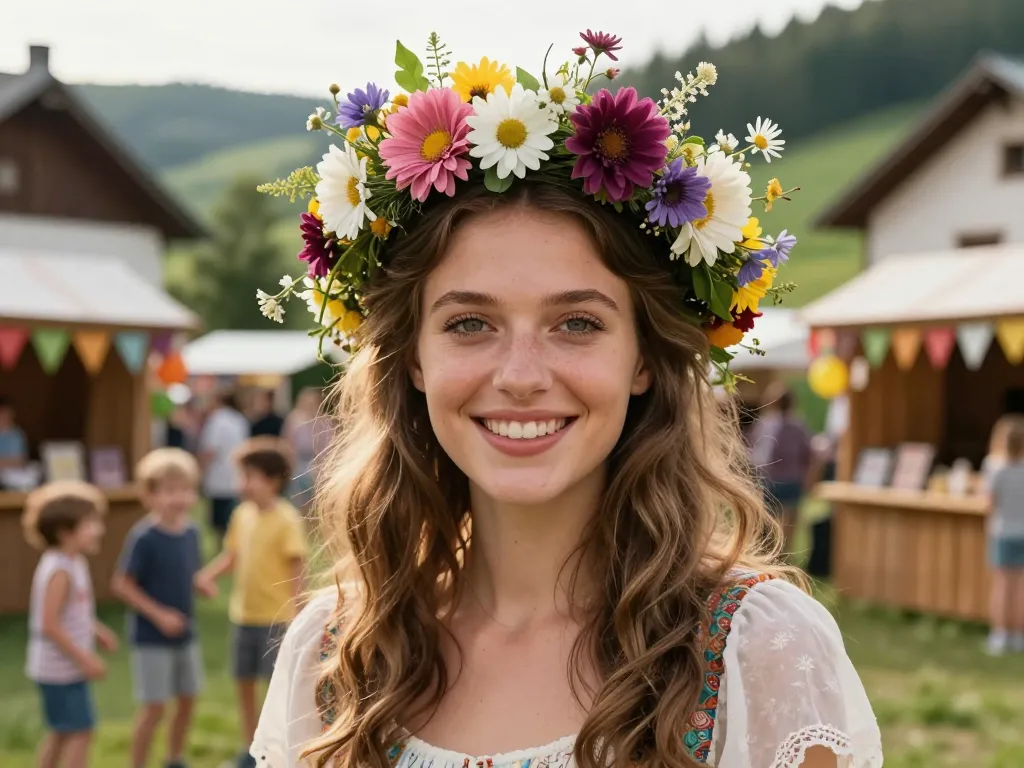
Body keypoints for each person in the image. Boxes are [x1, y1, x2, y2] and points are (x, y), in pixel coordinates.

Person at [248, 35, 881, 768]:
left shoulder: (756, 650)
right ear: (414, 360)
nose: (521, 375)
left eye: (576, 323)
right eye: (470, 324)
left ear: (643, 359)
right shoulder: (335, 651)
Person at [196, 437, 308, 768]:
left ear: (272, 481)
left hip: (275, 620)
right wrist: (208, 575)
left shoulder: (287, 519)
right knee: (243, 683)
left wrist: (299, 615)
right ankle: (251, 748)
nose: (241, 484)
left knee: (278, 692)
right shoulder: (242, 515)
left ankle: (281, 752)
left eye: (249, 477)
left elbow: (297, 569)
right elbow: (232, 555)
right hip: (243, 617)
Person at [112, 449, 208, 768]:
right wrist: (160, 615)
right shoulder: (144, 537)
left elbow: (186, 571)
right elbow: (122, 585)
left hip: (185, 633)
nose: (179, 498)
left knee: (187, 700)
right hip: (151, 636)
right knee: (155, 707)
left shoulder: (193, 532)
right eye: (170, 491)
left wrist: (199, 583)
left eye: (185, 489)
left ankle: (174, 759)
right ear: (150, 495)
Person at [23, 481, 118, 768]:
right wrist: (85, 660)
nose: (99, 529)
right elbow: (49, 624)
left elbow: (73, 612)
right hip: (59, 670)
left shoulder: (73, 562)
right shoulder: (60, 571)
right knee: (80, 731)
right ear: (65, 532)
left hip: (61, 668)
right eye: (91, 523)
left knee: (62, 730)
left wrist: (95, 630)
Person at [748, 382, 814, 551]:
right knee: (789, 524)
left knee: (768, 525)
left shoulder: (765, 425)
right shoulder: (798, 426)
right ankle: (785, 555)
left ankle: (772, 554)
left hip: (770, 480)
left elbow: (755, 452)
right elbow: (808, 454)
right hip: (791, 479)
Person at [985, 416, 1024, 655]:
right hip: (1023, 533)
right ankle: (1019, 635)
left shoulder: (997, 471)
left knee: (1002, 586)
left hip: (1002, 532)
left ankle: (1000, 634)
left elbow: (989, 504)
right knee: (1020, 588)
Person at [197, 390, 250, 541]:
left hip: (217, 477)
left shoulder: (216, 420)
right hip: (235, 474)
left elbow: (210, 450)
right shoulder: (239, 419)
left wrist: (201, 471)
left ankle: (223, 546)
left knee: (219, 522)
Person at [282, 387, 330, 512]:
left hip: (318, 465)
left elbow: (327, 447)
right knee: (298, 501)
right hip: (298, 465)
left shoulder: (324, 421)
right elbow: (288, 444)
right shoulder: (294, 420)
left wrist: (320, 467)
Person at [0, 395, 28, 470]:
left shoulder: (16, 435)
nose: (5, 418)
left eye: (8, 414)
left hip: (10, 476)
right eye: (2, 414)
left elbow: (19, 461)